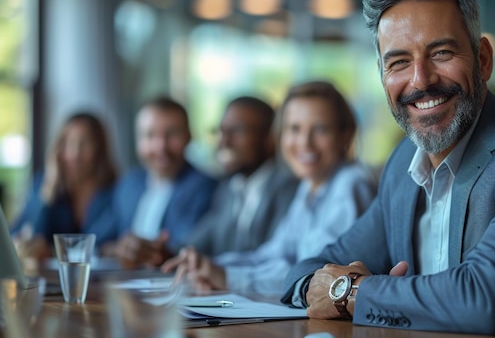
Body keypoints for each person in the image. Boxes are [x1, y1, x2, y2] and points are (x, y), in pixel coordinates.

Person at [279, 0, 495, 338]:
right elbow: (309, 269)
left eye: (441, 53)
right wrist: (323, 286)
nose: (420, 80)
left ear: (483, 59)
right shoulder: (402, 164)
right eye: (398, 62)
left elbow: (486, 300)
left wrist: (353, 292)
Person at [162, 81, 378, 295]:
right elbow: (272, 255)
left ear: (345, 135)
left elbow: (314, 276)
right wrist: (208, 265)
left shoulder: (350, 184)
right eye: (294, 128)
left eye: (320, 129)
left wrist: (228, 276)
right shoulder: (310, 186)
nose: (305, 142)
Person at [103, 96, 218, 269]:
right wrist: (118, 249)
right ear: (138, 141)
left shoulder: (205, 188)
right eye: (150, 135)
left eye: (171, 134)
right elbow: (100, 239)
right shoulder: (130, 183)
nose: (160, 147)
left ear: (189, 136)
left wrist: (156, 253)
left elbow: (192, 245)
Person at [188, 96, 299, 256]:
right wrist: (158, 252)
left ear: (270, 138)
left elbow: (275, 260)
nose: (224, 142)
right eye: (221, 132)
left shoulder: (289, 188)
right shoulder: (228, 187)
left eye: (237, 131)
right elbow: (198, 242)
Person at [11, 112, 118, 258]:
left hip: (103, 279)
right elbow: (24, 235)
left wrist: (53, 252)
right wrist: (49, 186)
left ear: (99, 149)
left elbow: (106, 244)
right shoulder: (44, 184)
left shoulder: (115, 191)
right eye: (67, 143)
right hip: (48, 279)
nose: (75, 153)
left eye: (85, 143)